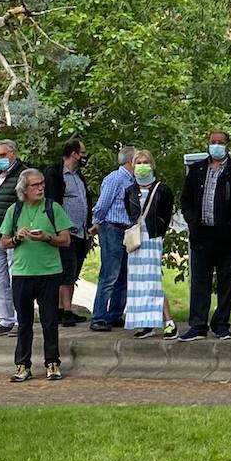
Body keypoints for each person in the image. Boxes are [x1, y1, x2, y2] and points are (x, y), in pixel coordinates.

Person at [0, 168, 74, 382]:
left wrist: (47, 238)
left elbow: (66, 239)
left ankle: (53, 363)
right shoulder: (14, 210)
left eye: (42, 183)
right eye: (35, 185)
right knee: (24, 322)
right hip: (22, 273)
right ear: (24, 189)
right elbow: (3, 242)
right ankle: (22, 365)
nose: (40, 187)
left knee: (49, 320)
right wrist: (16, 238)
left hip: (49, 272)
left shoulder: (53, 208)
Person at [179, 131, 231, 342]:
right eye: (213, 142)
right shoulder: (198, 170)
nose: (216, 146)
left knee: (225, 281)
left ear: (228, 144)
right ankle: (198, 325)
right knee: (199, 281)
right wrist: (192, 222)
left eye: (220, 142)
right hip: (201, 235)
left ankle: (221, 324)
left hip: (228, 236)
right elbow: (186, 200)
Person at [125, 151, 177, 339]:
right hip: (136, 239)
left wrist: (159, 233)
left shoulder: (162, 189)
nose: (142, 165)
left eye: (146, 162)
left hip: (153, 236)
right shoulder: (130, 190)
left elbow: (166, 213)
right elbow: (129, 212)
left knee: (152, 280)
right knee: (137, 282)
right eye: (138, 162)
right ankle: (146, 322)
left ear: (152, 164)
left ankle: (169, 321)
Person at [88, 146, 137, 332]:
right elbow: (102, 205)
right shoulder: (115, 178)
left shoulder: (133, 180)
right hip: (112, 228)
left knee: (123, 274)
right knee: (110, 273)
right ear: (130, 161)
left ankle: (115, 314)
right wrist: (97, 223)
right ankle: (99, 316)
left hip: (127, 230)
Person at [0, 139, 28, 337]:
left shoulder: (23, 174)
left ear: (13, 154)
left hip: (13, 235)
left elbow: (24, 204)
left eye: (3, 155)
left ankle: (21, 320)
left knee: (15, 277)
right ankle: (5, 319)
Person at [45, 139, 91, 326]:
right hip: (65, 231)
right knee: (66, 270)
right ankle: (64, 311)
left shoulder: (78, 176)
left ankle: (66, 308)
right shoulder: (55, 173)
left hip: (81, 231)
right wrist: (57, 227)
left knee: (74, 271)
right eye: (83, 153)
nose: (84, 157)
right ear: (74, 154)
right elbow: (52, 201)